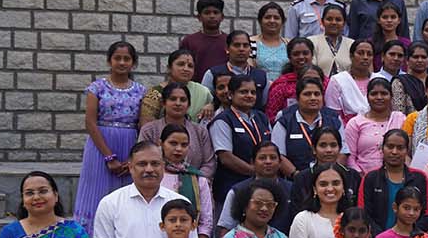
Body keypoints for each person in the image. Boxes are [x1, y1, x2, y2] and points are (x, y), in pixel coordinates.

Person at [76, 41, 147, 228]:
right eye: (117, 58)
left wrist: (133, 158)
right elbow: (90, 123)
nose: (122, 63)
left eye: (127, 59)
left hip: (129, 146)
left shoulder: (141, 91)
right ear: (109, 61)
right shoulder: (96, 88)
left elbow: (142, 124)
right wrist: (109, 156)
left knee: (125, 195)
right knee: (95, 193)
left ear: (133, 63)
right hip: (100, 147)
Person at [210, 75, 272, 203]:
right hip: (232, 186)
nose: (249, 95)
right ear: (231, 95)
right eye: (243, 92)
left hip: (262, 186)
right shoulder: (223, 120)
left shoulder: (262, 118)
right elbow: (226, 157)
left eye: (253, 92)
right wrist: (256, 172)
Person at [357, 129, 428, 234]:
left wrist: (409, 235)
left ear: (407, 151)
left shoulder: (420, 178)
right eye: (390, 146)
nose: (394, 152)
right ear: (382, 148)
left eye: (400, 148)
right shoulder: (371, 178)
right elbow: (364, 214)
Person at [138, 82, 215, 179]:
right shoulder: (149, 130)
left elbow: (209, 163)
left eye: (183, 100)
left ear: (188, 105)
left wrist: (194, 181)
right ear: (163, 103)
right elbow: (142, 159)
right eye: (173, 99)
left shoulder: (200, 132)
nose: (178, 103)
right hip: (157, 183)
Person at [273, 77, 345, 179]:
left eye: (317, 94)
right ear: (297, 98)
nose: (313, 98)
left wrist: (330, 175)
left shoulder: (334, 120)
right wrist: (298, 176)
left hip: (328, 181)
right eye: (307, 94)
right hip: (295, 181)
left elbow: (343, 153)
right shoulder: (284, 122)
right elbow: (279, 156)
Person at [159, 123, 215, 238]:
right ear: (161, 144)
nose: (179, 149)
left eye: (184, 145)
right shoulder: (154, 177)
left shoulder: (197, 178)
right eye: (173, 143)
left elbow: (206, 220)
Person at [343, 76, 406, 176]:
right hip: (363, 178)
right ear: (367, 97)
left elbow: (407, 151)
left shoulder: (401, 119)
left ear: (391, 97)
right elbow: (350, 157)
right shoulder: (355, 123)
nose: (379, 97)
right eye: (374, 94)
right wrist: (362, 177)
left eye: (384, 93)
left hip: (397, 177)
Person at [139, 48, 213, 126]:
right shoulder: (155, 93)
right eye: (181, 64)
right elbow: (146, 125)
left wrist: (212, 105)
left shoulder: (203, 92)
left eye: (190, 66)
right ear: (169, 68)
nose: (186, 69)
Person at [263, 38, 322, 120]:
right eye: (296, 54)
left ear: (312, 55)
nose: (301, 57)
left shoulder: (323, 81)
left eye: (305, 53)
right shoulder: (281, 85)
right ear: (289, 57)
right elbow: (271, 116)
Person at [322, 39, 377, 122]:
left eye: (369, 54)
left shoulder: (380, 79)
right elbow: (332, 113)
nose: (365, 57)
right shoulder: (338, 80)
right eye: (360, 53)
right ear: (351, 56)